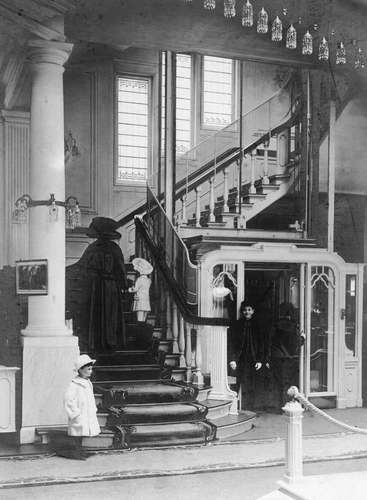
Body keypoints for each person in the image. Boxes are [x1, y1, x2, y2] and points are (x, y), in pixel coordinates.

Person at [78, 217, 128, 351]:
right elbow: (121, 269)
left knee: (96, 313)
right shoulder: (114, 248)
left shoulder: (92, 248)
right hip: (111, 287)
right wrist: (124, 285)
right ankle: (111, 343)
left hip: (94, 287)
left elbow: (82, 268)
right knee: (110, 314)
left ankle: (95, 343)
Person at [57, 354, 100, 460]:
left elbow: (90, 397)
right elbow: (68, 400)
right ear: (80, 370)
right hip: (79, 414)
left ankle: (80, 451)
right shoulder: (74, 385)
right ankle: (76, 452)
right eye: (88, 369)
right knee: (78, 433)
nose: (90, 371)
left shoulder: (87, 383)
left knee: (83, 432)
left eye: (91, 369)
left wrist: (93, 408)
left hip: (87, 412)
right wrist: (75, 413)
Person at [228, 301, 268, 410]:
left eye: (249, 310)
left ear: (253, 311)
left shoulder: (258, 325)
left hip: (253, 359)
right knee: (236, 382)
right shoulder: (237, 324)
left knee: (252, 384)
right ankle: (234, 407)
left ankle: (251, 408)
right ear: (242, 311)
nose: (247, 312)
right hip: (240, 358)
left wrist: (260, 360)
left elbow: (261, 344)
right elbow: (232, 342)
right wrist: (233, 359)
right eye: (245, 310)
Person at [129, 257, 153, 322]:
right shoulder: (149, 280)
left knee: (139, 319)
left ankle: (140, 329)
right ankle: (143, 329)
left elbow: (135, 289)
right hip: (146, 300)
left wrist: (129, 289)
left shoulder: (139, 279)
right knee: (144, 319)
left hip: (139, 300)